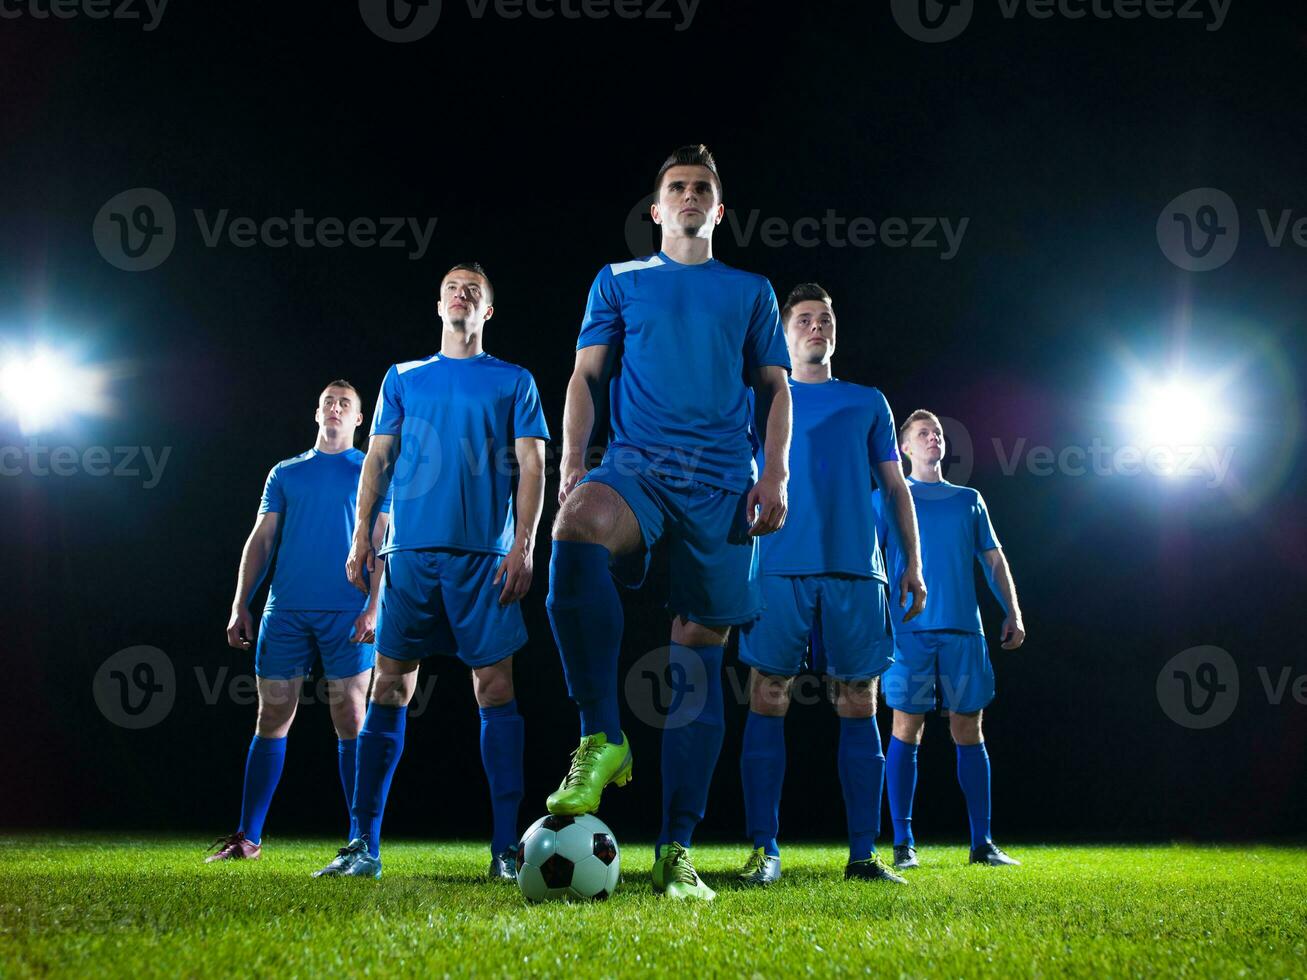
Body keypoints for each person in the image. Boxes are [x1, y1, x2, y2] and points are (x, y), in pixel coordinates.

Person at [543, 145, 793, 901]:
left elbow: (775, 389)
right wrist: (570, 463)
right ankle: (602, 735)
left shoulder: (751, 289)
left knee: (695, 660)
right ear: (655, 210)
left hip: (720, 485)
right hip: (637, 468)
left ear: (719, 211)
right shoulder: (616, 280)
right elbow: (586, 375)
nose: (689, 196)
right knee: (575, 530)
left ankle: (673, 848)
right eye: (677, 187)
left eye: (703, 189)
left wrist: (774, 473)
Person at [313, 263, 549, 880]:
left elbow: (533, 467)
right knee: (388, 687)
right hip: (411, 557)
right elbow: (380, 459)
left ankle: (504, 851)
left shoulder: (514, 380)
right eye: (452, 286)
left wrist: (524, 544)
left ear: (488, 310)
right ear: (438, 302)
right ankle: (363, 846)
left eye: (474, 288)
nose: (461, 293)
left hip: (486, 558)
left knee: (494, 691)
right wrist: (362, 532)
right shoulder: (403, 377)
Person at [734, 283, 926, 887]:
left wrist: (913, 565)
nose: (817, 328)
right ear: (785, 332)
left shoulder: (868, 401)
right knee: (768, 696)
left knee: (859, 702)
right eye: (805, 320)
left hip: (855, 569)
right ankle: (765, 849)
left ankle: (863, 856)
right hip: (778, 565)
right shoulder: (761, 400)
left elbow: (895, 489)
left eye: (825, 320)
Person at [209, 380, 388, 862]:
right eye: (328, 402)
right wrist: (239, 602)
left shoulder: (372, 472)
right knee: (271, 716)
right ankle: (248, 838)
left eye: (344, 404)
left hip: (348, 611)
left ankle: (360, 842)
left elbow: (383, 541)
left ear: (359, 420)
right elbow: (261, 539)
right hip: (284, 610)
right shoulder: (286, 473)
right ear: (317, 413)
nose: (335, 408)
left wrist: (374, 607)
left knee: (351, 717)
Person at [876, 409, 1026, 868]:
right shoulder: (887, 498)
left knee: (968, 728)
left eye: (937, 432)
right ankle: (903, 846)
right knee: (907, 728)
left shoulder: (968, 499)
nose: (934, 437)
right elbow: (873, 563)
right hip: (909, 632)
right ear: (904, 447)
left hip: (964, 629)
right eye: (923, 433)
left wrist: (1013, 611)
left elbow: (995, 561)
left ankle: (982, 844)